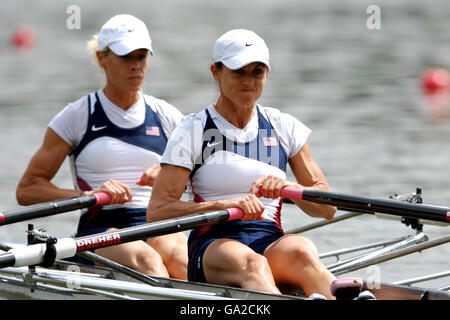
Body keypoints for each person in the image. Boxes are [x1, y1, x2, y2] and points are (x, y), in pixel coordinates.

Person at [147, 29, 338, 298]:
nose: (249, 81)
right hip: (214, 243)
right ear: (216, 72)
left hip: (270, 239)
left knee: (303, 252)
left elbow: (327, 210)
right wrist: (223, 205)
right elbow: (157, 210)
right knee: (253, 264)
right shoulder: (193, 130)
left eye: (257, 72)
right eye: (239, 72)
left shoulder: (283, 127)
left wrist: (289, 186)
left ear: (267, 75)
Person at [16, 14, 188, 280]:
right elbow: (27, 190)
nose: (136, 66)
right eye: (126, 57)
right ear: (101, 58)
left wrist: (171, 178)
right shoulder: (77, 116)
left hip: (155, 220)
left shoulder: (167, 116)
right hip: (100, 225)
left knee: (182, 261)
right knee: (148, 261)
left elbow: (203, 182)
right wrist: (89, 193)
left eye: (141, 57)